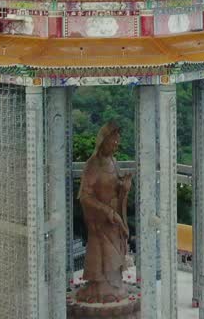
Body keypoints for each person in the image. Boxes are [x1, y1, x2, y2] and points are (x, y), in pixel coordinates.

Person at [76, 122, 134, 302]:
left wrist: (124, 188)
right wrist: (106, 211)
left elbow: (116, 187)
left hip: (114, 217)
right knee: (102, 253)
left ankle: (114, 284)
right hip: (100, 219)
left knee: (115, 253)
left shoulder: (114, 162)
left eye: (117, 143)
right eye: (112, 142)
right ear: (103, 141)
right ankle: (99, 287)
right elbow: (85, 196)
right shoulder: (93, 165)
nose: (115, 146)